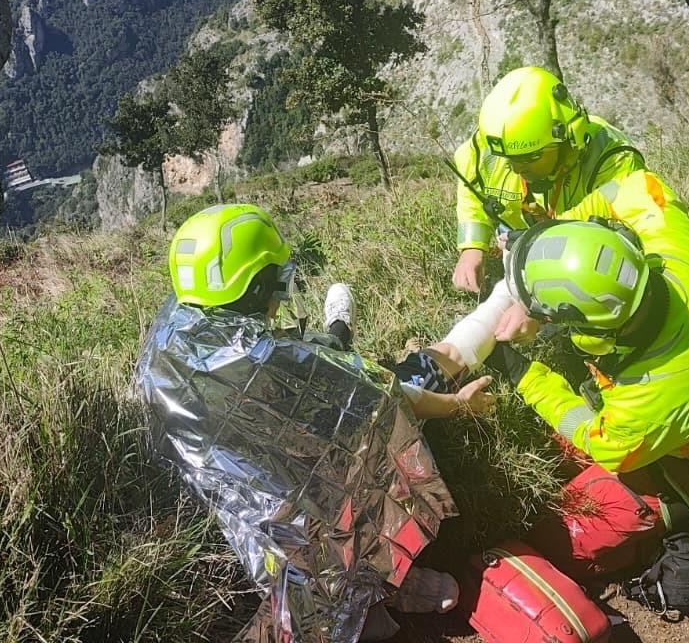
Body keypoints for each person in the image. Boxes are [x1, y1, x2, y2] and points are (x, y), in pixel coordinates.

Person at [134, 203, 509, 643]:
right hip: (300, 515)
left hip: (235, 505)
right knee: (408, 381)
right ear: (257, 290)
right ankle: (380, 582)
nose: (283, 295)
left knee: (335, 362)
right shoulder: (269, 364)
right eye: (282, 283)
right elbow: (385, 400)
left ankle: (338, 331)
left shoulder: (171, 332)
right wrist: (458, 405)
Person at [485, 181, 689, 577]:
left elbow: (597, 438)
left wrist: (517, 369)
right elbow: (633, 186)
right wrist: (566, 233)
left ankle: (662, 541)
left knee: (558, 540)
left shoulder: (656, 390)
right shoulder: (678, 250)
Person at [448, 66, 652, 293]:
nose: (516, 168)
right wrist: (471, 249)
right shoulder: (487, 149)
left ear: (567, 138)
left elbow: (625, 229)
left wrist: (542, 245)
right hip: (518, 233)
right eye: (508, 158)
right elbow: (471, 188)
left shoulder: (612, 159)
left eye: (530, 157)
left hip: (583, 245)